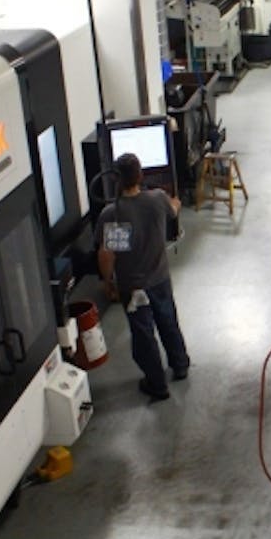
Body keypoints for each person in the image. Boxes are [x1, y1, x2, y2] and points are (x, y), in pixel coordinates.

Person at [96, 153, 191, 402]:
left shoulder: (113, 213)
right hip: (159, 279)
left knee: (144, 336)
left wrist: (108, 282)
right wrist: (176, 202)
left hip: (132, 287)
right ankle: (180, 365)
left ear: (116, 179)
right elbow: (173, 209)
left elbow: (109, 254)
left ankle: (157, 385)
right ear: (140, 175)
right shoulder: (157, 199)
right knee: (168, 321)